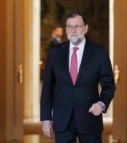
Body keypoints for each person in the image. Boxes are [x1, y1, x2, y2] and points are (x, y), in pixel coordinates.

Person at [40, 10, 116, 143]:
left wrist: (102, 103)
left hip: (90, 119)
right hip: (63, 120)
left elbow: (109, 85)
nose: (73, 30)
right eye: (69, 26)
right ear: (66, 29)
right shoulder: (55, 53)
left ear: (85, 28)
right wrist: (46, 119)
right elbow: (47, 87)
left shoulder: (99, 53)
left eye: (77, 26)